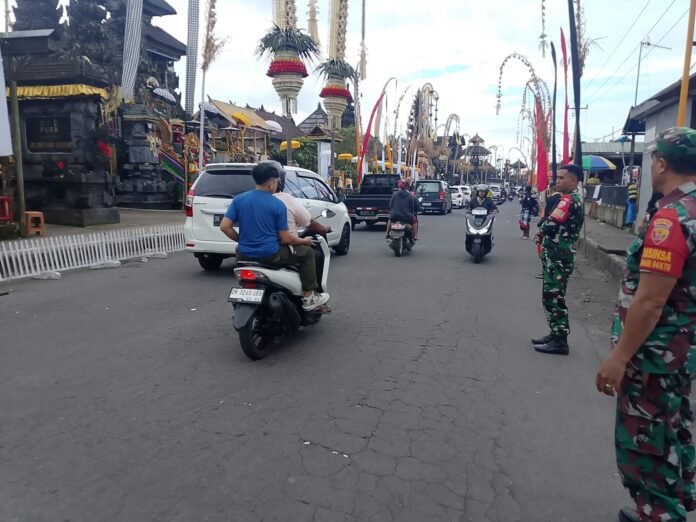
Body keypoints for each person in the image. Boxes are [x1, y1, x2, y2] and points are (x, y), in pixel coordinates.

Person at [596, 127, 696, 522]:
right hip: (679, 352)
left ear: (661, 164)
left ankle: (658, 511)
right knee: (671, 433)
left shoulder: (672, 219)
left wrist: (619, 357)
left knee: (646, 444)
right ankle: (667, 505)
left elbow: (651, 301)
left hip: (654, 356)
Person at [219, 161, 329, 311]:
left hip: (243, 254)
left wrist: (241, 240)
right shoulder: (277, 204)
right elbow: (286, 238)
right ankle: (309, 297)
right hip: (270, 255)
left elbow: (224, 227)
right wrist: (303, 241)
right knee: (308, 253)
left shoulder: (239, 200)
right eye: (276, 181)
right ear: (271, 182)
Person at [532, 164, 584, 355]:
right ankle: (555, 334)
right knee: (552, 296)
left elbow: (551, 222)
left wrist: (540, 231)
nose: (557, 181)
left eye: (562, 178)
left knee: (554, 297)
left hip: (558, 256)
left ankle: (560, 340)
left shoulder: (569, 200)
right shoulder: (569, 198)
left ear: (573, 180)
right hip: (557, 255)